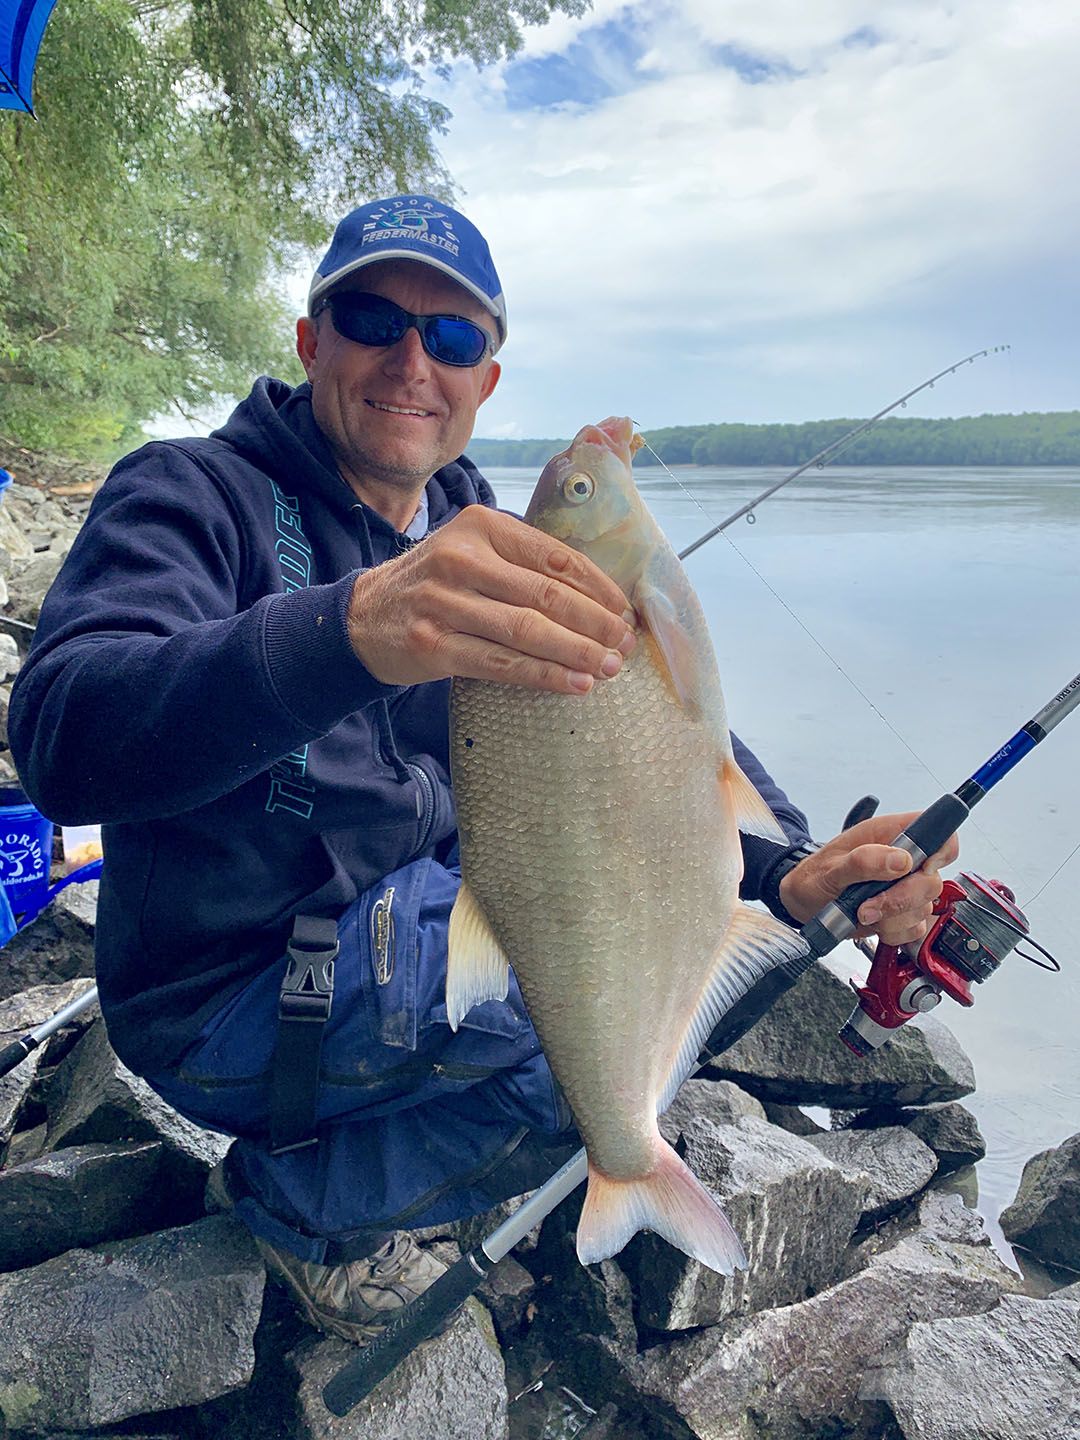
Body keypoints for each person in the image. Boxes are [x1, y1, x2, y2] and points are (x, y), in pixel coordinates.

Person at [7, 194, 957, 1344]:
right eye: (372, 320)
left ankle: (430, 1155)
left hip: (411, 928)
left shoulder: (468, 514)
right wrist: (350, 628)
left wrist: (793, 876)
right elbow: (63, 739)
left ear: (487, 382)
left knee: (633, 1008)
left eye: (453, 339)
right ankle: (301, 1206)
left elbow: (634, 732)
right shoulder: (186, 494)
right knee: (558, 1011)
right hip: (232, 996)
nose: (414, 362)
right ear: (311, 342)